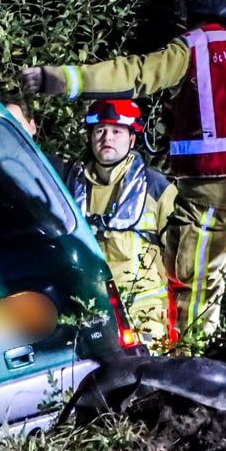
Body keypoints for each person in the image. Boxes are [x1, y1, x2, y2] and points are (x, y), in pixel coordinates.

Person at [19, 0, 226, 349]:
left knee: (195, 290)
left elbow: (135, 74)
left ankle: (194, 367)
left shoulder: (191, 48)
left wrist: (60, 79)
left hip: (211, 193)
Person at [59, 98, 185, 349]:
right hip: (90, 318)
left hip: (146, 321)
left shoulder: (156, 189)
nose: (107, 137)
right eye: (100, 130)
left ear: (132, 139)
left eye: (117, 131)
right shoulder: (68, 186)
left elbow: (184, 264)